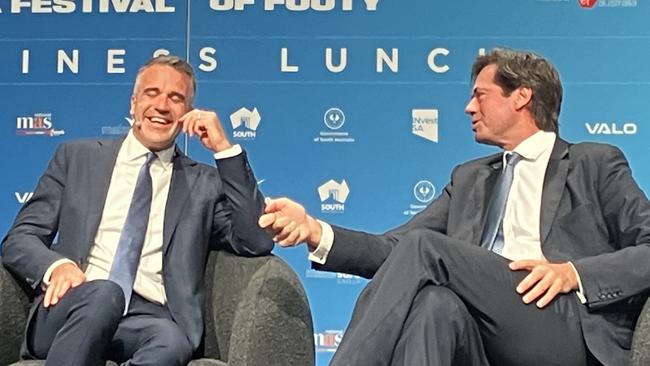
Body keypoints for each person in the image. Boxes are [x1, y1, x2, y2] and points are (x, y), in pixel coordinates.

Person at [259, 48, 650, 366]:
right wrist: (315, 230)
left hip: (557, 323)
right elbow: (396, 251)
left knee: (427, 248)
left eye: (480, 95)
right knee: (435, 306)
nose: (468, 108)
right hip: (478, 333)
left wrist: (573, 273)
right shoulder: (469, 179)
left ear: (522, 96)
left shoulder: (594, 163)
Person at [1, 55, 273, 365]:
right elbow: (20, 238)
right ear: (133, 103)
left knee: (172, 341)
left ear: (187, 113)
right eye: (152, 93)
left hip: (146, 320)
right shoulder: (77, 157)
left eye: (176, 98)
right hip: (73, 309)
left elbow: (256, 240)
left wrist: (224, 149)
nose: (162, 105)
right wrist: (55, 267)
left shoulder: (203, 183)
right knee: (105, 294)